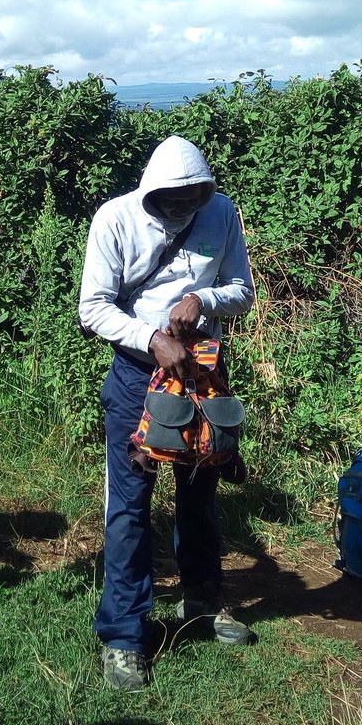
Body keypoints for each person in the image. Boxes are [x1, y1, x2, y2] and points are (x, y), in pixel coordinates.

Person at [78, 134, 256, 690]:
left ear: (205, 192)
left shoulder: (220, 212)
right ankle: (125, 635)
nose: (181, 208)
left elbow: (242, 291)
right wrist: (151, 338)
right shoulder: (114, 220)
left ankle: (201, 602)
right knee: (130, 504)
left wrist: (201, 301)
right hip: (137, 377)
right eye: (169, 200)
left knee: (199, 492)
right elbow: (92, 309)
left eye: (191, 199)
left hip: (202, 372)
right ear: (149, 192)